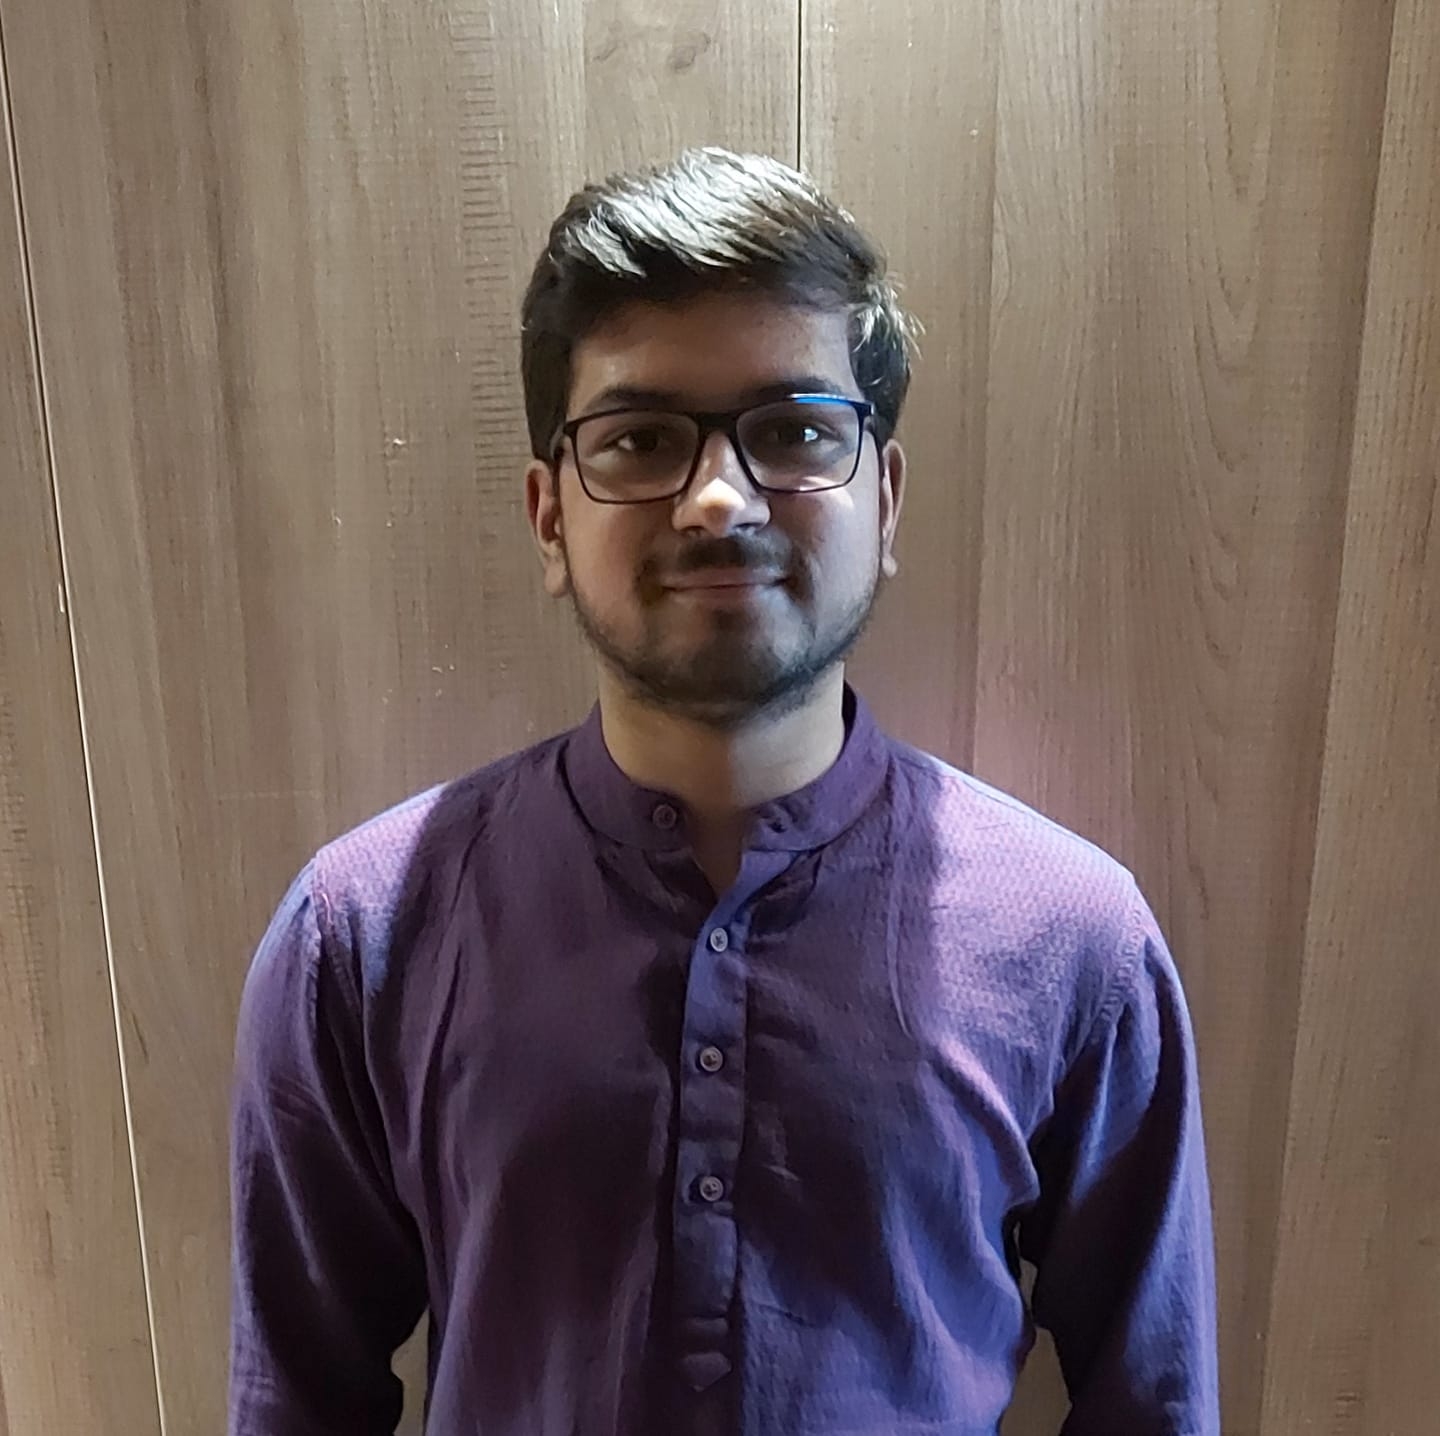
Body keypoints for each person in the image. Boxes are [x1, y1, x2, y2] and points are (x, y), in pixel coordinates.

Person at [228, 146, 1220, 1435]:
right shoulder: (361, 936)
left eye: (795, 431)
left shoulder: (1076, 938)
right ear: (548, 518)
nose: (714, 498)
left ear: (885, 499)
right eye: (640, 439)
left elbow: (1154, 1402)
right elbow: (293, 1401)